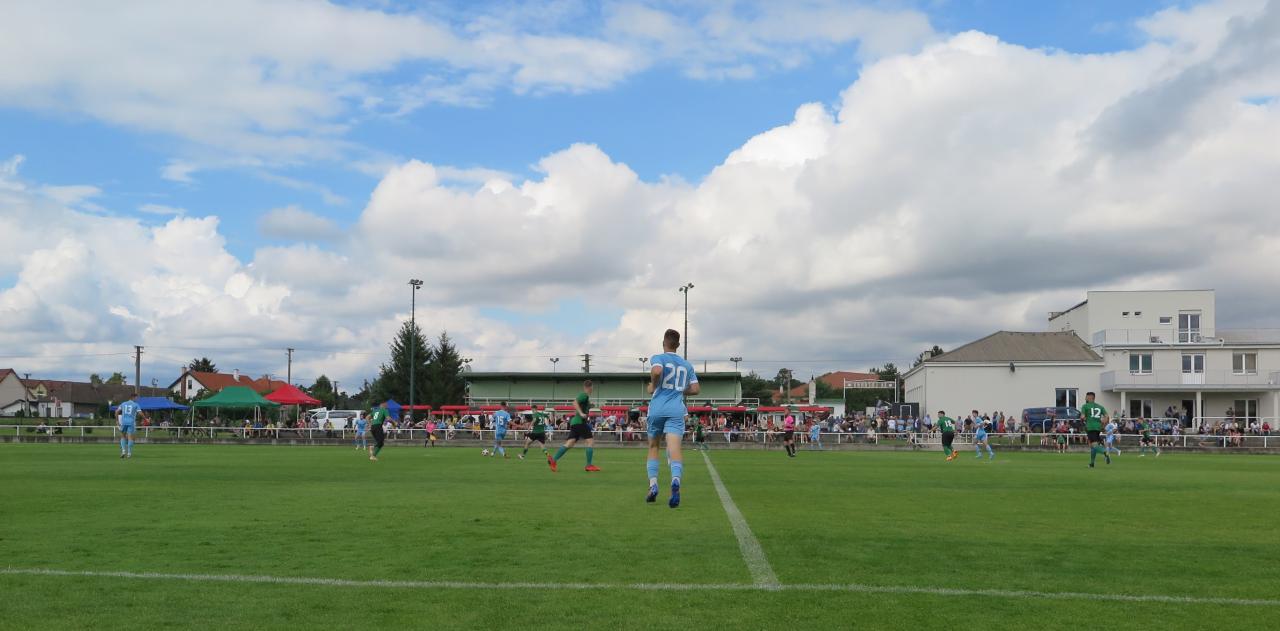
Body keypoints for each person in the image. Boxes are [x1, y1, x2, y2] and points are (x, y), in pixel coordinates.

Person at [644, 329, 699, 507]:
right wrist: (680, 389)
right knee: (674, 449)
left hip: (657, 409)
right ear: (678, 345)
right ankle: (675, 480)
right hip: (676, 410)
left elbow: (657, 371)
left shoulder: (658, 357)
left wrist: (653, 385)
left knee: (654, 446)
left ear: (663, 343)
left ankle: (653, 485)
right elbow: (696, 389)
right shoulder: (687, 365)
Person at [548, 380, 600, 472]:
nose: (592, 389)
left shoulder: (586, 398)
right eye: (592, 387)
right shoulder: (584, 395)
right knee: (590, 442)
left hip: (575, 423)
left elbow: (581, 405)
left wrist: (589, 406)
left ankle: (554, 460)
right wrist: (581, 413)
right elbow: (574, 402)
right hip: (580, 422)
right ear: (590, 387)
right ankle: (589, 465)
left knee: (570, 443)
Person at [1080, 392, 1111, 468]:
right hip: (1098, 428)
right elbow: (1107, 416)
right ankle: (1092, 463)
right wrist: (1103, 425)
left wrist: (1084, 419)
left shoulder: (1085, 406)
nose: (1085, 398)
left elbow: (1082, 417)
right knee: (1092, 446)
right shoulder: (1100, 407)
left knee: (1094, 445)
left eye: (1086, 397)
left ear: (1090, 397)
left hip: (1090, 427)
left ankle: (1105, 452)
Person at [116, 392, 147, 459]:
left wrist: (117, 421)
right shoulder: (136, 404)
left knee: (123, 436)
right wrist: (145, 419)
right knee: (130, 437)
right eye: (136, 398)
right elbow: (140, 413)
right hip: (131, 422)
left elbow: (116, 411)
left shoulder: (123, 403)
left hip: (124, 422)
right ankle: (129, 453)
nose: (137, 399)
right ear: (134, 397)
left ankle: (123, 451)